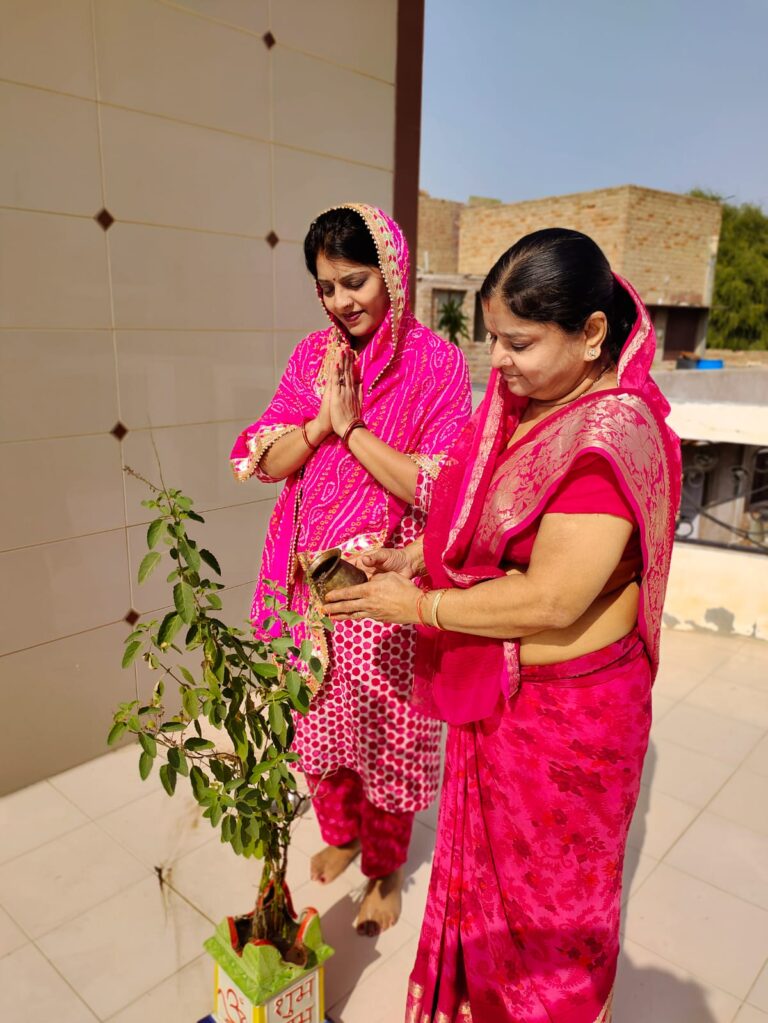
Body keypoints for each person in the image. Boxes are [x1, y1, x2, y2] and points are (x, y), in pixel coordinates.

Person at [323, 228, 681, 1020]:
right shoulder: (524, 411)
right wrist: (417, 557)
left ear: (592, 333)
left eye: (519, 341)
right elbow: (469, 506)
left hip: (570, 723)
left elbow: (553, 597)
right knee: (487, 889)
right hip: (506, 701)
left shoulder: (606, 432)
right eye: (492, 338)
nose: (500, 360)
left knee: (550, 910)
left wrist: (418, 607)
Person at [230, 203, 471, 936]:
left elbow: (441, 488)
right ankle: (341, 832)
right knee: (314, 729)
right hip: (304, 587)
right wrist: (319, 423)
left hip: (385, 586)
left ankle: (387, 864)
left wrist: (355, 430)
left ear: (391, 270)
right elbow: (261, 459)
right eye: (327, 287)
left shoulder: (436, 365)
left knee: (388, 739)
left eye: (355, 281)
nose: (342, 301)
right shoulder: (313, 358)